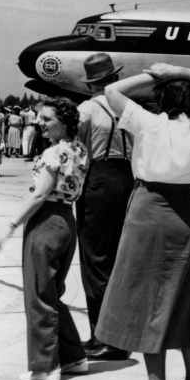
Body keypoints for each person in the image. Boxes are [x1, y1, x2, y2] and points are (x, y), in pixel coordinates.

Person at [94, 64, 190, 380]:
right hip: (187, 210)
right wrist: (178, 71)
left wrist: (154, 75)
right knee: (186, 300)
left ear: (161, 100)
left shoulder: (149, 123)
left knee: (147, 299)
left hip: (149, 210)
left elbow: (112, 92)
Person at [0, 98, 89, 380]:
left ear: (64, 121)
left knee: (38, 296)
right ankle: (74, 356)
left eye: (47, 119)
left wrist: (11, 226)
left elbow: (39, 194)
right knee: (51, 293)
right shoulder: (80, 150)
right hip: (67, 221)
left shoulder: (53, 153)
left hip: (46, 221)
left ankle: (45, 366)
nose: (40, 123)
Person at [76, 53, 134, 360]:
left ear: (92, 84)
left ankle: (103, 336)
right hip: (126, 179)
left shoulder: (86, 109)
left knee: (95, 259)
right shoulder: (128, 106)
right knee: (118, 258)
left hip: (97, 180)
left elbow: (77, 151)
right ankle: (120, 332)